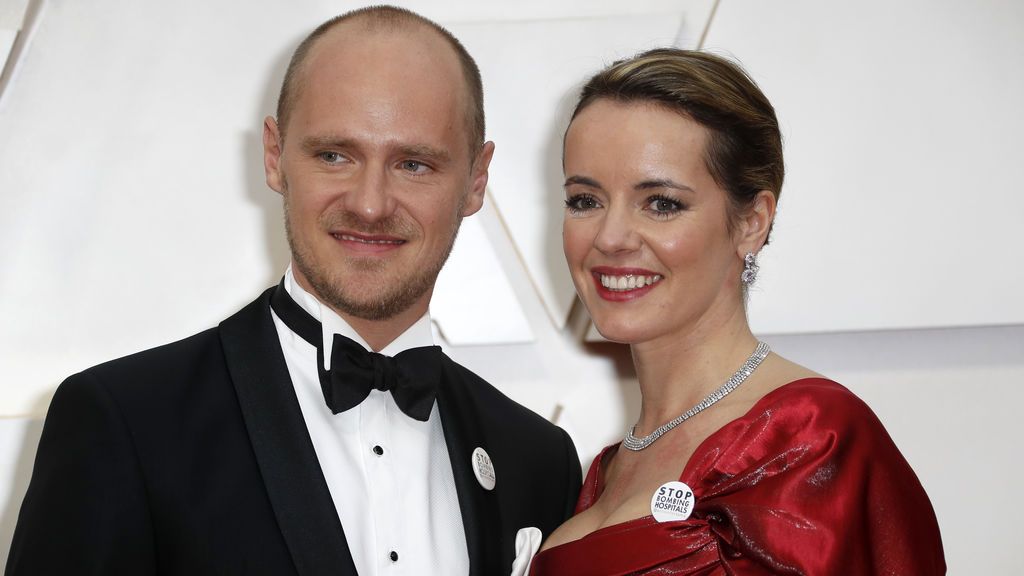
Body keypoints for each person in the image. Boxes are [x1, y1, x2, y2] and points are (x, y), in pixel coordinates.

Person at [5, 6, 581, 575]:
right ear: (275, 157)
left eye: (413, 164)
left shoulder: (537, 460)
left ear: (476, 180)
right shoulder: (124, 423)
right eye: (334, 155)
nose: (370, 203)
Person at [528, 49, 945, 574]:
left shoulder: (809, 443)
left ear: (752, 221)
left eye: (661, 203)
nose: (609, 238)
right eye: (585, 200)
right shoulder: (606, 471)